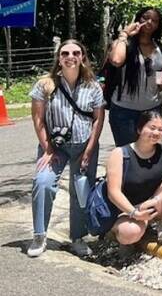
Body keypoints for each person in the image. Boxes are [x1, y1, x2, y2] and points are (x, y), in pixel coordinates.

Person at [27, 39, 106, 258]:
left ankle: (78, 238)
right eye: (65, 53)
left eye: (75, 52)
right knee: (42, 183)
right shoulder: (45, 85)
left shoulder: (93, 86)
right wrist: (48, 148)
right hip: (55, 147)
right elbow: (38, 120)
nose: (70, 57)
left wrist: (89, 149)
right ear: (59, 58)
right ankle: (39, 235)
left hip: (84, 146)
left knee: (80, 189)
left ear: (82, 57)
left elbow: (99, 119)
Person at [104, 111, 162, 247]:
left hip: (154, 204)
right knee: (130, 233)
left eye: (161, 129)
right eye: (152, 128)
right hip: (127, 209)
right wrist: (135, 213)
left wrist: (157, 200)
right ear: (139, 129)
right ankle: (118, 235)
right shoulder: (120, 154)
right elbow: (113, 192)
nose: (156, 132)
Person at [104, 7, 162, 147]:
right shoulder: (123, 44)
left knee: (149, 152)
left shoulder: (160, 49)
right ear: (138, 19)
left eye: (155, 20)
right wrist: (124, 34)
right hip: (124, 111)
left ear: (158, 25)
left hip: (153, 109)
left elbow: (159, 76)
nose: (149, 22)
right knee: (127, 155)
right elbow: (116, 60)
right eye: (145, 18)